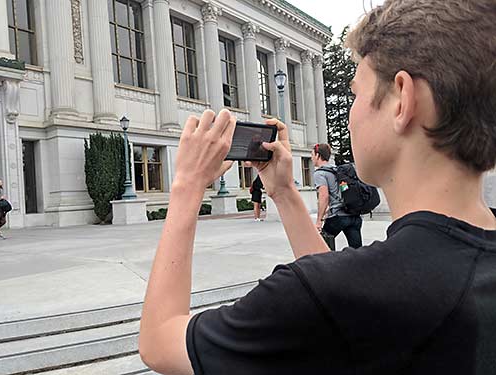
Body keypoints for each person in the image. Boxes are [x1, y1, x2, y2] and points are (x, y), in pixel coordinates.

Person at [139, 1, 496, 373]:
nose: (352, 111)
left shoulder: (329, 292)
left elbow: (160, 342)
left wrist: (186, 185)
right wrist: (286, 194)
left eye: (355, 93)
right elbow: (341, 300)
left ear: (402, 101)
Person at [312, 143, 362, 249]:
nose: (312, 158)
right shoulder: (338, 170)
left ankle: (330, 265)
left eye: (312, 155)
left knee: (322, 246)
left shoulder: (319, 173)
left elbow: (324, 196)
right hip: (353, 215)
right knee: (357, 250)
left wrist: (319, 220)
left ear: (317, 155)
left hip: (337, 217)